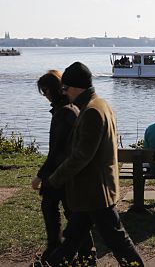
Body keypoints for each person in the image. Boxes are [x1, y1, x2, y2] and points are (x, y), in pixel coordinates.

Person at [46, 62, 144, 266]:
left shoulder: (91, 111)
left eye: (65, 89)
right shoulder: (101, 104)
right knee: (72, 240)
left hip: (93, 191)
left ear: (75, 88)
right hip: (94, 190)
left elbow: (82, 155)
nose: (63, 94)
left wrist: (54, 179)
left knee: (118, 241)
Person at [32, 70, 94, 264]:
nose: (44, 95)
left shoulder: (63, 112)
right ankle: (83, 253)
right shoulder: (70, 109)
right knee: (69, 211)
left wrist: (41, 176)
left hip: (61, 172)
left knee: (54, 208)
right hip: (66, 171)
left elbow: (57, 150)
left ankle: (56, 248)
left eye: (44, 91)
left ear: (51, 90)